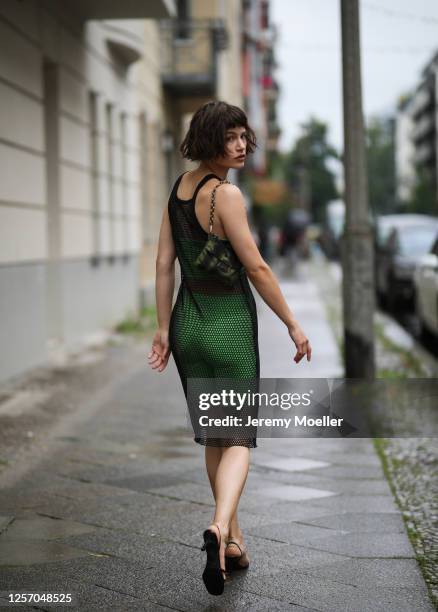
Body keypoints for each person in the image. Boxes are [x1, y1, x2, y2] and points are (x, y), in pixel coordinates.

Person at [147, 100, 312, 596]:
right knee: (237, 437)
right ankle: (219, 529)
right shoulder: (228, 196)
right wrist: (293, 324)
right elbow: (257, 268)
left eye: (245, 137)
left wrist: (161, 329)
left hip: (187, 323)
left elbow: (162, 265)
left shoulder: (178, 191)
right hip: (228, 325)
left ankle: (236, 541)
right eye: (232, 137)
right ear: (211, 139)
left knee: (216, 435)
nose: (241, 145)